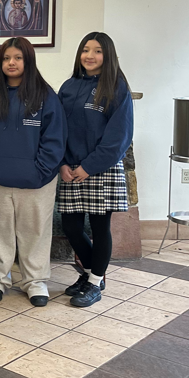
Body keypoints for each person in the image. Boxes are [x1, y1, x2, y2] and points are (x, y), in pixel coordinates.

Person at [0, 37, 65, 307]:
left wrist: (41, 170)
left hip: (37, 180)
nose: (11, 63)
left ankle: (35, 281)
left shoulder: (46, 97)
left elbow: (55, 139)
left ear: (28, 60)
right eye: (6, 58)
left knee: (35, 231)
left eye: (17, 58)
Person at [58, 32, 134, 308]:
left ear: (108, 55)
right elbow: (57, 129)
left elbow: (119, 136)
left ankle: (94, 282)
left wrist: (89, 167)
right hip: (70, 169)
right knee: (71, 227)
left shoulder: (116, 88)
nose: (90, 56)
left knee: (100, 228)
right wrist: (62, 163)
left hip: (101, 168)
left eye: (98, 51)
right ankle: (92, 274)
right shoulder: (68, 87)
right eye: (85, 50)